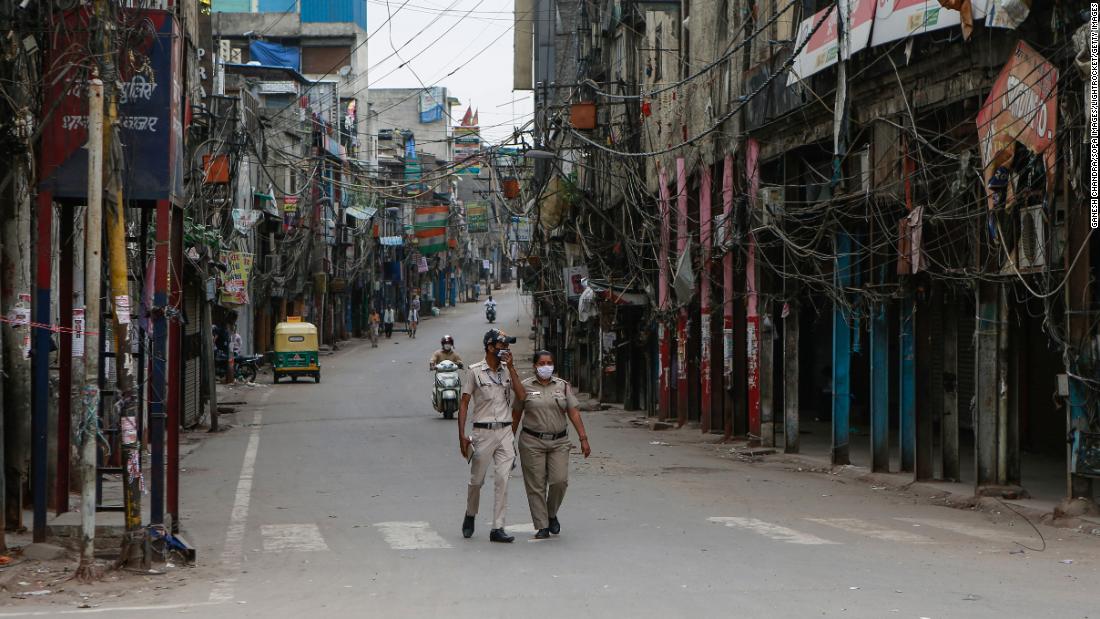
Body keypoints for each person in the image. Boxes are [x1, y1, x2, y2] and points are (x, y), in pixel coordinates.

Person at [513, 350, 590, 539]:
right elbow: (516, 415)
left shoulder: (562, 386)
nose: (546, 366)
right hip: (532, 441)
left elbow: (573, 412)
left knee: (559, 481)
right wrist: (508, 442)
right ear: (535, 366)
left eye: (549, 363)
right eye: (542, 363)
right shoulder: (524, 387)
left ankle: (551, 513)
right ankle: (542, 526)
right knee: (536, 485)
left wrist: (583, 438)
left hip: (559, 442)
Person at [458, 329, 525, 543]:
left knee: (503, 479)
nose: (505, 349)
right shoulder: (475, 372)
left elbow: (521, 397)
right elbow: (465, 402)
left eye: (507, 346)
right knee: (476, 481)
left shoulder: (507, 371)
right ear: (489, 347)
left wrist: (512, 367)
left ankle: (498, 527)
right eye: (501, 345)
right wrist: (461, 435)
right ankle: (471, 513)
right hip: (482, 432)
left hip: (505, 431)